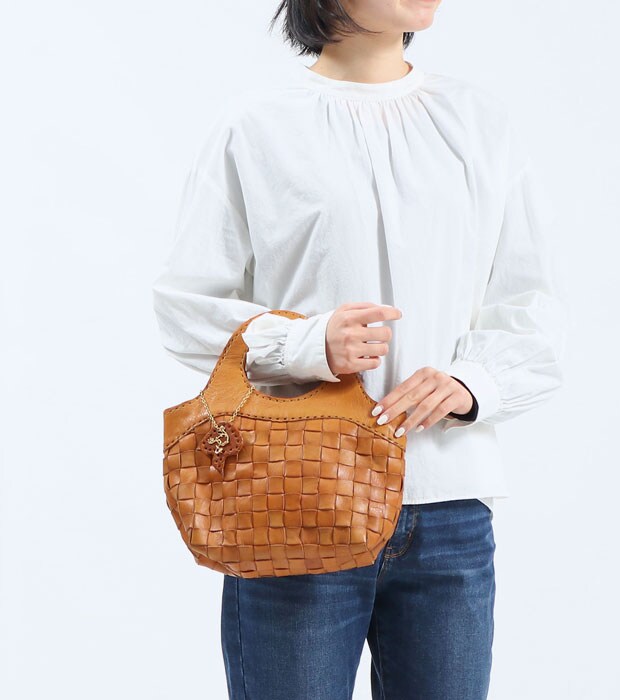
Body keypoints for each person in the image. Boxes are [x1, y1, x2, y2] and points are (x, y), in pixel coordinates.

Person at [151, 1, 566, 698]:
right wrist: (308, 343)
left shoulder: (478, 121)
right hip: (297, 498)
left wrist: (473, 383)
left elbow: (532, 300)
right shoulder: (256, 126)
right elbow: (186, 304)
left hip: (448, 505)